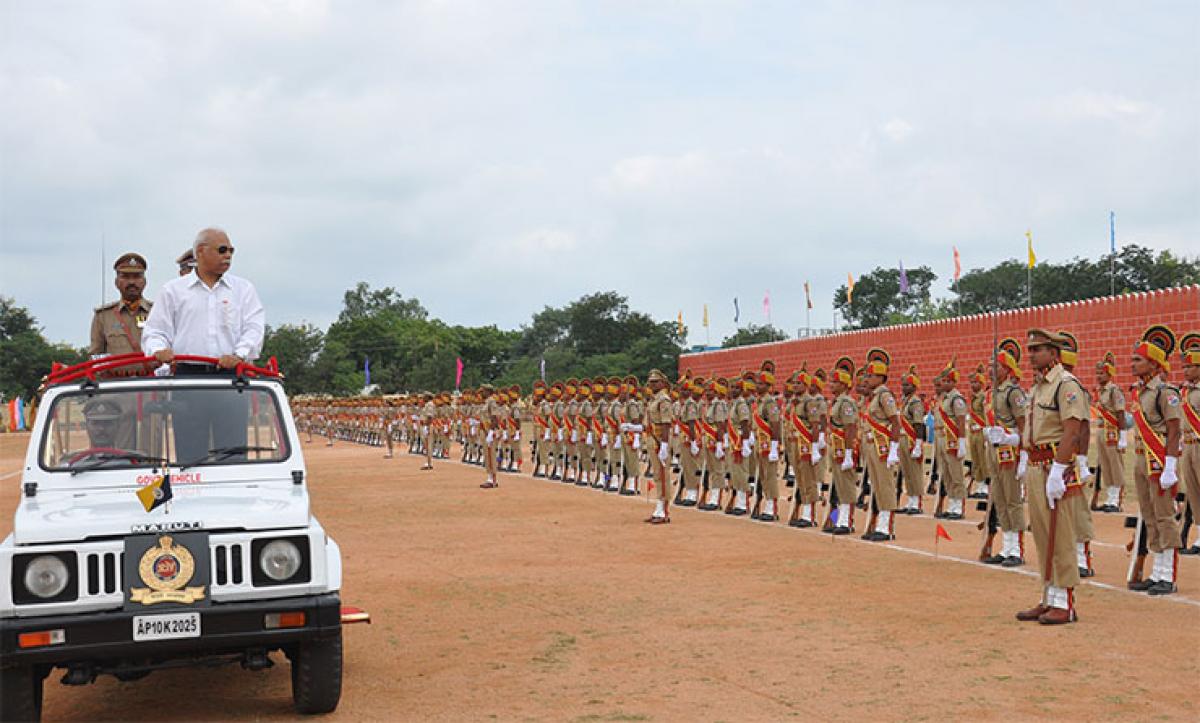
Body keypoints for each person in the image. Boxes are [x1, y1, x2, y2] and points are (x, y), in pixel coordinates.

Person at [1017, 328, 1086, 625]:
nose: (1031, 354)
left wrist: (1059, 470)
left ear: (1054, 354)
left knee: (1060, 535)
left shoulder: (1065, 385)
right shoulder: (1037, 387)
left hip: (1053, 466)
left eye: (1038, 349)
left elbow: (1072, 430)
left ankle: (1065, 602)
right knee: (1044, 535)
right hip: (1035, 465)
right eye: (1030, 349)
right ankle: (1049, 596)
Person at [142, 228, 265, 372]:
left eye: (231, 251)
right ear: (200, 251)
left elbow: (254, 328)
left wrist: (239, 355)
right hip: (185, 374)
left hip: (232, 375)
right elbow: (155, 331)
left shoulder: (244, 289)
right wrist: (159, 350)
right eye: (222, 250)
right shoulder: (173, 290)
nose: (228, 255)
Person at [1128, 325, 1183, 595]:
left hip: (1159, 459)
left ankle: (1168, 575)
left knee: (1164, 516)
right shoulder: (1140, 392)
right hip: (1140, 459)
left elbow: (1174, 429)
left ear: (1154, 363)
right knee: (1149, 516)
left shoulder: (1165, 391)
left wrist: (1170, 465)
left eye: (1138, 360)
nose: (1132, 364)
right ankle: (1156, 571)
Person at [983, 338, 1029, 567]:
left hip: (1010, 450)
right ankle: (1006, 545)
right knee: (1000, 499)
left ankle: (1017, 549)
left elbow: (1023, 424)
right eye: (990, 366)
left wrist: (1023, 453)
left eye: (996, 367)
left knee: (1012, 499)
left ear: (1007, 369)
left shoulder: (1013, 393)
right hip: (994, 450)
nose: (991, 370)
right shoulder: (991, 393)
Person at [89, 252, 155, 375]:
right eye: (125, 277)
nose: (131, 282)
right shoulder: (103, 316)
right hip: (116, 387)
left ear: (144, 281)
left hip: (151, 385)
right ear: (116, 282)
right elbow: (96, 356)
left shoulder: (157, 312)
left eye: (136, 277)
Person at [861, 348, 902, 541]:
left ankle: (887, 526)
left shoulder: (885, 395)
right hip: (872, 445)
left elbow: (895, 422)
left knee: (885, 485)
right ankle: (879, 523)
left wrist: (894, 449)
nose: (867, 379)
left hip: (883, 445)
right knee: (876, 484)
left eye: (871, 375)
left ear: (881, 376)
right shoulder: (874, 396)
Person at [933, 359, 969, 520]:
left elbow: (960, 421)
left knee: (955, 473)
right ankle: (951, 502)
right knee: (945, 473)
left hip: (952, 438)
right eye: (944, 381)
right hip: (940, 437)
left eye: (948, 381)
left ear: (954, 382)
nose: (945, 383)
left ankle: (958, 506)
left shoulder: (956, 399)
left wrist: (962, 442)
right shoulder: (944, 398)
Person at [1094, 352, 1128, 512]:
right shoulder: (1099, 391)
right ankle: (1109, 497)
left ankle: (1116, 500)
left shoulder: (1114, 391)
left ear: (1109, 373)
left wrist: (1123, 436)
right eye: (1097, 373)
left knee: (1115, 464)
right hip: (1101, 430)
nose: (1098, 376)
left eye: (1101, 373)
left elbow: (1120, 413)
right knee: (1105, 465)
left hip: (1112, 431)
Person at [645, 369, 675, 524]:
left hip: (659, 440)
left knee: (663, 476)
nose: (652, 384)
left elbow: (666, 423)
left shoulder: (664, 399)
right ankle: (658, 507)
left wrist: (663, 445)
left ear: (663, 383)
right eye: (650, 381)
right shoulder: (654, 399)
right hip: (652, 438)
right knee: (657, 475)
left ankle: (664, 510)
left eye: (655, 381)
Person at [1179, 333, 1200, 555]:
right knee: (1193, 493)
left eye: (1190, 367)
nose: (1185, 370)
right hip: (1187, 445)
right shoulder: (1183, 392)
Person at [897, 366, 927, 514]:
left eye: (907, 385)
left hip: (911, 440)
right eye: (902, 385)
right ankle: (910, 500)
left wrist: (918, 445)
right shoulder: (904, 401)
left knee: (914, 471)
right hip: (903, 439)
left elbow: (919, 424)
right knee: (907, 472)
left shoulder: (915, 402)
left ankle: (916, 503)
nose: (903, 387)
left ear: (914, 387)